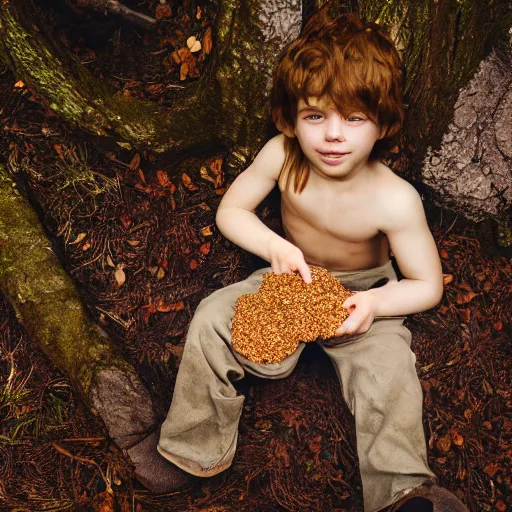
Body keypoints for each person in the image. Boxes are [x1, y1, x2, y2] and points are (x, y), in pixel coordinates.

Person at [130, 11, 470, 512]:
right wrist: (275, 249)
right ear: (291, 118)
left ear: (382, 123)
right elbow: (232, 210)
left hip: (364, 292)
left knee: (390, 373)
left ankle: (403, 488)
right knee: (211, 321)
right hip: (289, 275)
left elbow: (426, 284)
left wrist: (374, 304)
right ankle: (190, 449)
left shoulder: (395, 199)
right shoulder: (281, 156)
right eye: (316, 116)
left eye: (353, 118)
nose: (333, 135)